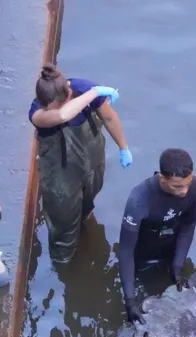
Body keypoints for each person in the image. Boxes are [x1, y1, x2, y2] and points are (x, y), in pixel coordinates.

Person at [29, 64, 131, 264]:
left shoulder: (82, 88)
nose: (53, 108)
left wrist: (123, 147)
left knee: (90, 196)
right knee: (62, 215)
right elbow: (62, 116)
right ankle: (62, 260)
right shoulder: (37, 113)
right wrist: (95, 93)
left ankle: (84, 219)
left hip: (91, 159)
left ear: (68, 95)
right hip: (59, 170)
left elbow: (109, 117)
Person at [117, 147, 196, 324]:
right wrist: (130, 301)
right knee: (145, 309)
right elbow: (125, 251)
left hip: (171, 250)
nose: (184, 191)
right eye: (177, 186)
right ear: (162, 178)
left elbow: (188, 226)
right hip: (142, 255)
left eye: (188, 183)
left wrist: (178, 265)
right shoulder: (139, 199)